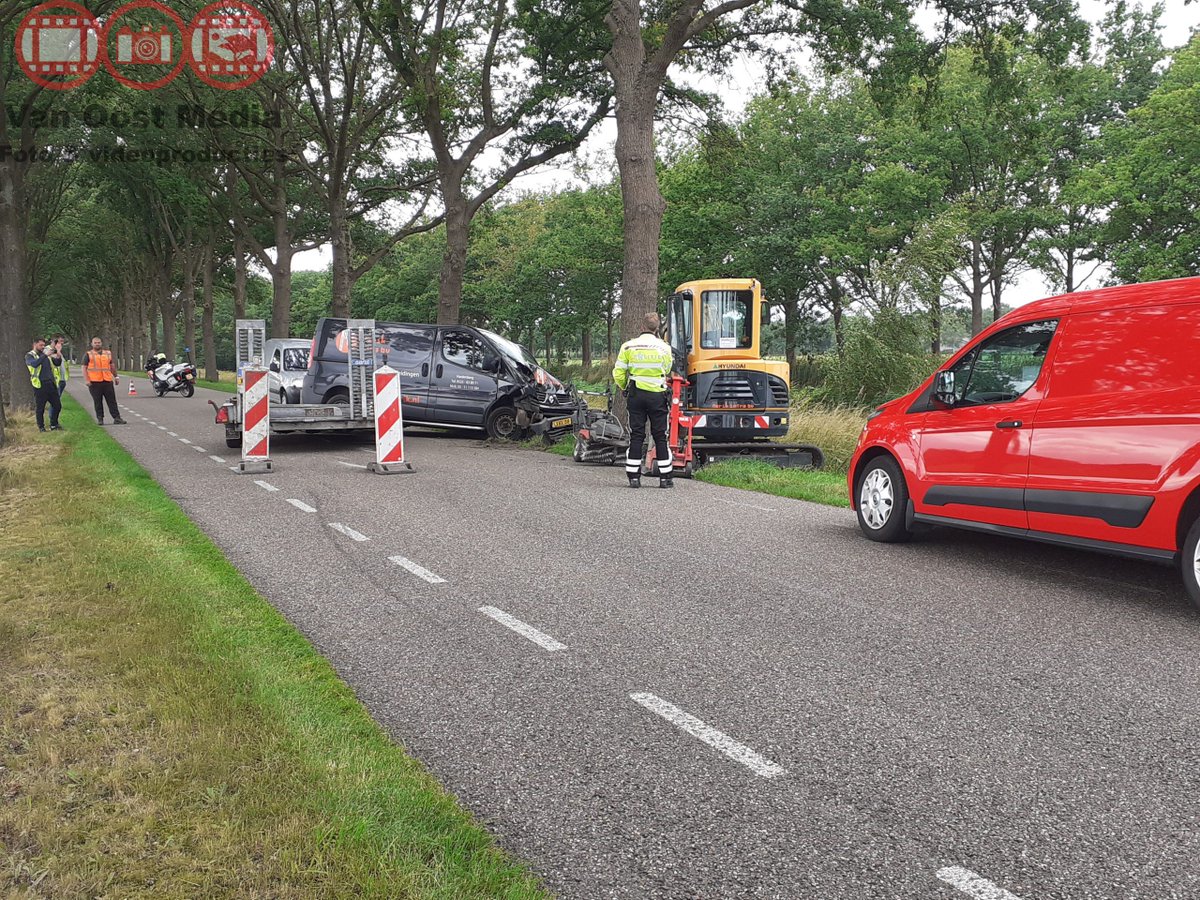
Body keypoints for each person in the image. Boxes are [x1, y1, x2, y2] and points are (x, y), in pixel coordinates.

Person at [613, 312, 675, 489]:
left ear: (642, 327)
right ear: (657, 329)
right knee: (660, 436)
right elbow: (667, 368)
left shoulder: (628, 347)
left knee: (637, 435)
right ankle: (665, 479)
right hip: (658, 395)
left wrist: (625, 387)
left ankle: (634, 477)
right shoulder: (664, 348)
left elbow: (618, 372)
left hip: (636, 394)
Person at [83, 336, 126, 425]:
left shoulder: (107, 353)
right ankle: (100, 419)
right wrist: (87, 380)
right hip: (94, 382)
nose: (97, 344)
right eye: (95, 343)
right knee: (97, 401)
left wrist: (116, 376)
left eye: (99, 342)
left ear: (101, 343)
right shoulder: (88, 354)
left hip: (107, 380)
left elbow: (112, 366)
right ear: (92, 344)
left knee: (112, 400)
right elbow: (84, 367)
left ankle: (117, 418)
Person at [25, 337, 62, 432]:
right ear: (35, 344)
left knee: (57, 405)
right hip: (40, 385)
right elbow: (34, 364)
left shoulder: (46, 355)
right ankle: (41, 427)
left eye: (43, 345)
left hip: (50, 384)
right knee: (40, 407)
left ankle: (54, 424)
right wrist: (45, 355)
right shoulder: (30, 355)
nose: (43, 347)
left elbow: (57, 363)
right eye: (41, 345)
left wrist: (58, 354)